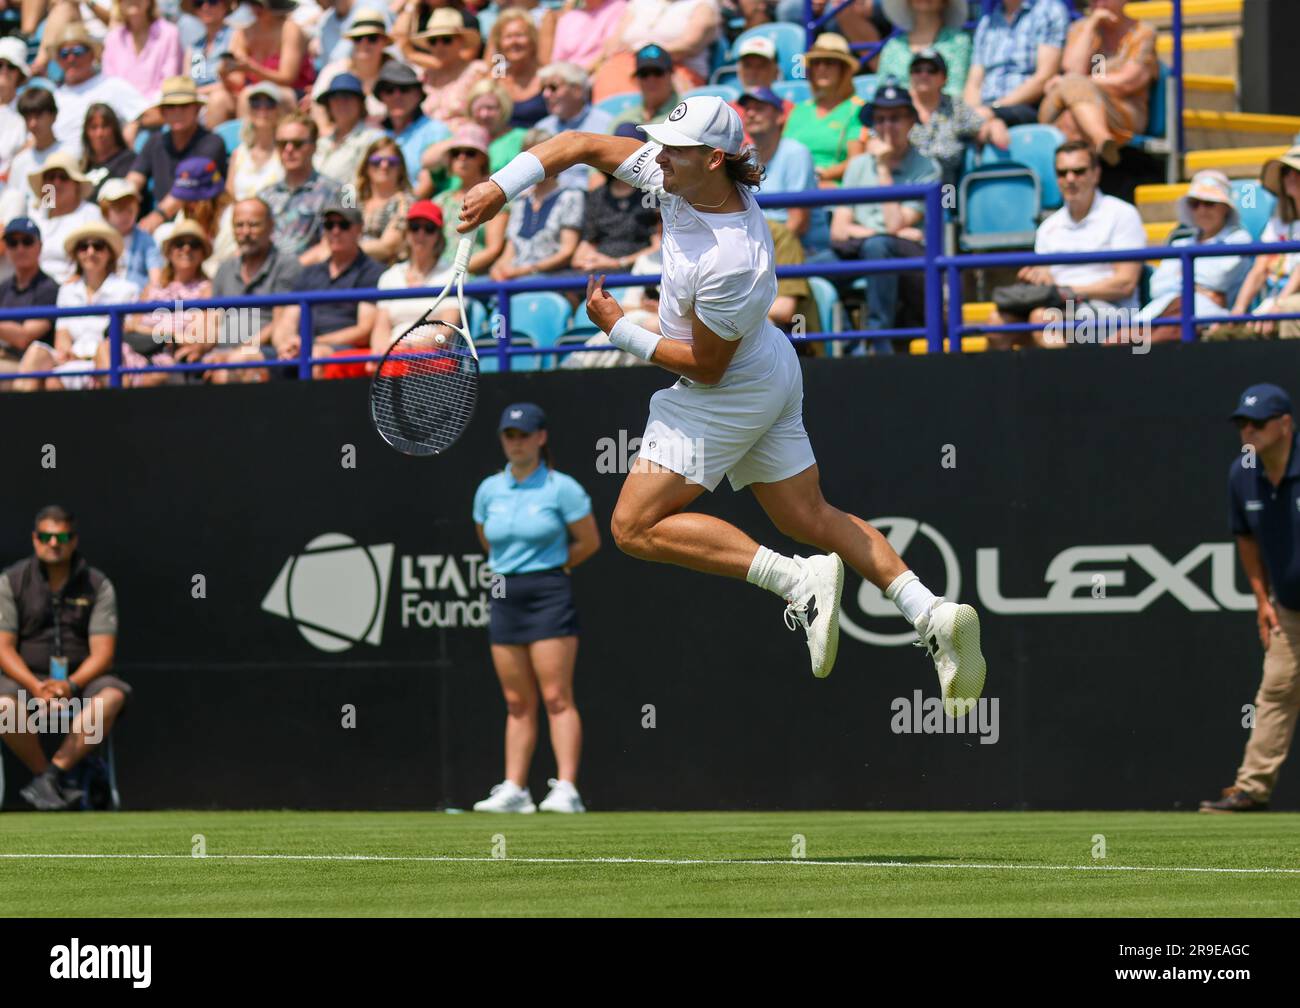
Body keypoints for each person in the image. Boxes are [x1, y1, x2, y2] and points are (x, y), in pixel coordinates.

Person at [458, 95, 987, 701]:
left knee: (633, 526)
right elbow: (577, 144)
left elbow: (707, 370)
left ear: (712, 159)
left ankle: (794, 580)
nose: (660, 157)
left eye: (676, 149)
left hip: (728, 388)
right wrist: (502, 186)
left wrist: (619, 330)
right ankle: (931, 613)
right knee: (808, 516)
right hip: (767, 365)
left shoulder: (732, 259)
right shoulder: (677, 173)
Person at [471, 403, 601, 814]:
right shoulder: (488, 489)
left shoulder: (562, 488)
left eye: (524, 435)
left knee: (556, 695)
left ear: (541, 438)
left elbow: (589, 541)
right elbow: (486, 540)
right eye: (509, 435)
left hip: (549, 589)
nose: (517, 442)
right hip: (505, 589)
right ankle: (516, 789)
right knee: (515, 700)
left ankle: (566, 789)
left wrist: (553, 568)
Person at [1200, 386, 1300, 813]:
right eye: (1243, 423)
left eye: (1258, 423)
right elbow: (1245, 539)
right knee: (1275, 690)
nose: (1249, 431)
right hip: (1290, 607)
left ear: (1285, 424)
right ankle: (1252, 788)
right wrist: (1262, 599)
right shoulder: (1242, 473)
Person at [0, 506, 127, 811]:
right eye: (46, 536)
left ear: (73, 540)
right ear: (35, 539)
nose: (53, 543)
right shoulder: (11, 581)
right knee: (2, 707)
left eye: (61, 537)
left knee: (111, 696)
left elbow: (103, 654)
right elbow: (3, 648)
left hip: (80, 683)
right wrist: (35, 686)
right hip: (27, 683)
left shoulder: (98, 585)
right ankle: (47, 776)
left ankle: (54, 776)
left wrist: (69, 685)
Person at [986, 140, 1145, 350]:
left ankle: (1067, 382)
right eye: (1062, 173)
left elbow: (1125, 284)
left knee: (1042, 318)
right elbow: (1048, 281)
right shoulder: (1048, 227)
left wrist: (1069, 292)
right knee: (996, 323)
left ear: (1096, 174)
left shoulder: (1122, 214)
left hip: (1113, 312)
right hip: (1061, 307)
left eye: (1079, 171)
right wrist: (1037, 280)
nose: (1070, 179)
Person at [832, 82, 941, 347]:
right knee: (804, 270)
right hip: (860, 247)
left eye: (895, 118)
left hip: (906, 251)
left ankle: (880, 340)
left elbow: (894, 225)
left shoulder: (928, 168)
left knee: (879, 247)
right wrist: (877, 233)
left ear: (910, 122)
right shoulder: (857, 165)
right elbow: (838, 230)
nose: (886, 126)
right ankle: (844, 344)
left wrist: (882, 168)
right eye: (880, 119)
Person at [14, 221, 138, 391]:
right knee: (37, 353)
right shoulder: (67, 290)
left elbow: (126, 336)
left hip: (107, 361)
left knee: (102, 360)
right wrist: (68, 353)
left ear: (110, 253)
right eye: (83, 247)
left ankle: (118, 412)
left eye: (98, 246)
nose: (90, 252)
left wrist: (88, 356)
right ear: (77, 254)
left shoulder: (127, 289)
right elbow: (62, 336)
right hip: (74, 363)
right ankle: (18, 416)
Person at [267, 197, 383, 373]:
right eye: (329, 225)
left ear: (359, 229)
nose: (335, 231)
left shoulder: (372, 271)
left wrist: (312, 343)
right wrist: (287, 342)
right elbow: (287, 320)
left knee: (316, 356)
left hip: (340, 351)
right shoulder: (309, 272)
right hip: (304, 347)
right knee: (244, 359)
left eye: (343, 225)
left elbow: (364, 330)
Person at [1136, 170, 1250, 343]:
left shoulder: (1240, 239)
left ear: (1225, 208)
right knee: (1121, 338)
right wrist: (1200, 287)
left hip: (1204, 316)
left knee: (1143, 342)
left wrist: (1181, 276)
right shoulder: (1179, 243)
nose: (1202, 210)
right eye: (1195, 204)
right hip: (1161, 312)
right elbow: (1157, 287)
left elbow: (1219, 278)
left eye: (1209, 203)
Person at [1038, 0, 1156, 167]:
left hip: (1121, 109)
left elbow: (1129, 81)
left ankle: (1072, 178)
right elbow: (1072, 68)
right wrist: (1091, 25)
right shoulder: (1081, 29)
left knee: (1071, 119)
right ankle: (1101, 140)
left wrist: (1082, 82)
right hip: (1076, 101)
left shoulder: (1142, 32)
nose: (1098, 2)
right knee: (1073, 94)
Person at [205, 196, 303, 380]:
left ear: (271, 227)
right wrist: (200, 348)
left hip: (264, 352)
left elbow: (280, 322)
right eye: (239, 225)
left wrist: (235, 353)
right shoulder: (224, 268)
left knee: (239, 366)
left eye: (254, 225)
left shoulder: (286, 265)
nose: (245, 232)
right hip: (224, 352)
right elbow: (213, 321)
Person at [110, 218, 214, 385]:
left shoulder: (207, 289)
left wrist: (155, 333)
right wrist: (168, 334)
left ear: (202, 253)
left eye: (194, 244)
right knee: (106, 350)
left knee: (158, 375)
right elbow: (130, 327)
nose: (186, 249)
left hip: (172, 356)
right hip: (139, 349)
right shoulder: (152, 288)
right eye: (179, 243)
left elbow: (199, 338)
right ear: (169, 251)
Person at [1212, 148, 1300, 340]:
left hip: (1289, 301)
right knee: (1222, 333)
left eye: (1297, 171)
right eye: (1286, 171)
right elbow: (1259, 269)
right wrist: (1239, 308)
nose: (1291, 176)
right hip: (1275, 300)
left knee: (1289, 312)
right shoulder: (1278, 223)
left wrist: (1281, 304)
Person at [127, 76, 230, 233]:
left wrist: (158, 216)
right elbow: (135, 177)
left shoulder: (212, 142)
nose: (177, 112)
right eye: (171, 107)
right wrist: (125, 200)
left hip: (204, 224)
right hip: (163, 225)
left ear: (196, 109)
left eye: (184, 106)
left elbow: (188, 184)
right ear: (163, 112)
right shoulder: (155, 141)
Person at [964, 0, 1069, 151]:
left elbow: (1044, 77)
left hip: (1027, 106)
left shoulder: (1049, 10)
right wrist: (976, 115)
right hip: (985, 112)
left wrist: (994, 110)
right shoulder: (987, 22)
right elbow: (973, 83)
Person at [739, 86, 829, 260]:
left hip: (803, 250)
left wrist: (757, 254)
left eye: (759, 108)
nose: (750, 114)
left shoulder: (795, 152)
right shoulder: (744, 157)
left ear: (780, 117)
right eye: (747, 109)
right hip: (760, 246)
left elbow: (798, 223)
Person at [491, 128, 584, 289]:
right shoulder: (520, 200)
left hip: (549, 278)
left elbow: (566, 252)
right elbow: (510, 251)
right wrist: (498, 269)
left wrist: (526, 271)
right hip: (515, 276)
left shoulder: (571, 196)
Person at [368, 199, 459, 364]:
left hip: (434, 357)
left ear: (438, 235)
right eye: (414, 227)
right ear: (406, 233)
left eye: (429, 229)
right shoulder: (390, 276)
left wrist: (411, 348)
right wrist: (380, 353)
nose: (420, 235)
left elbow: (446, 330)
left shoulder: (452, 274)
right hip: (393, 356)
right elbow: (381, 327)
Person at [51, 23, 150, 152]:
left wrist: (135, 123)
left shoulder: (112, 85)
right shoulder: (53, 96)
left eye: (78, 52)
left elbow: (151, 114)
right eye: (64, 53)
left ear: (92, 54)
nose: (71, 58)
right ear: (58, 59)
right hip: (58, 166)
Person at [595, 0, 720, 100]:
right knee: (607, 74)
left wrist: (640, 51)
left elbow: (688, 45)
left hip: (672, 67)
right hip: (625, 64)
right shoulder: (638, 3)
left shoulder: (704, 4)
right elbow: (614, 42)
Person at [260, 112, 343, 262]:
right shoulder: (263, 196)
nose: (289, 149)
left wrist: (294, 269)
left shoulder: (342, 191)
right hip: (268, 278)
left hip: (315, 276)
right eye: (282, 144)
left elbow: (345, 239)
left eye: (297, 143)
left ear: (314, 146)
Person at [783, 33, 864, 185]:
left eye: (829, 62)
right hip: (792, 186)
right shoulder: (799, 110)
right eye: (816, 63)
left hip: (833, 190)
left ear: (844, 69)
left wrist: (821, 175)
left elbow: (857, 161)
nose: (822, 68)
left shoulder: (857, 109)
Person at [429, 124, 507, 275]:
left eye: (470, 153)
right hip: (437, 275)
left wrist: (454, 273)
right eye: (456, 153)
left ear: (483, 159)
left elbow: (493, 249)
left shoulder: (495, 198)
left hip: (473, 279)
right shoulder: (440, 200)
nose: (462, 158)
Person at [907, 48, 982, 186]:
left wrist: (994, 123)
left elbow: (980, 126)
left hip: (946, 186)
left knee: (948, 201)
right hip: (907, 186)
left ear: (944, 78)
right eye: (917, 70)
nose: (924, 75)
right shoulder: (899, 107)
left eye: (932, 70)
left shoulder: (955, 107)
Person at [29, 154, 107, 284]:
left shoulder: (91, 214)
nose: (56, 182)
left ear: (76, 184)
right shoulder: (35, 214)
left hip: (74, 290)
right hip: (34, 289)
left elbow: (100, 257)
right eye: (50, 177)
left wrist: (74, 283)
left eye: (63, 177)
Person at [534, 62, 612, 190]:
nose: (546, 94)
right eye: (543, 88)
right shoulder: (541, 127)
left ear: (577, 91)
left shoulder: (605, 125)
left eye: (553, 88)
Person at [311, 7, 393, 127]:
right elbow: (317, 105)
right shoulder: (334, 70)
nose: (364, 44)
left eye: (372, 38)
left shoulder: (398, 72)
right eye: (358, 38)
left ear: (384, 41)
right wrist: (326, 131)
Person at [409, 7, 488, 127]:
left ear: (461, 41)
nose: (439, 46)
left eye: (446, 40)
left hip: (464, 138)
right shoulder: (425, 76)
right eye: (433, 41)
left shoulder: (477, 71)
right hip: (429, 139)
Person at [875, 0, 971, 99]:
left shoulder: (959, 41)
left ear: (945, 2)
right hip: (898, 111)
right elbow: (881, 90)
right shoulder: (893, 45)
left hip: (945, 111)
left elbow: (955, 90)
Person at [0, 220, 60, 375]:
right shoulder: (3, 287)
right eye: (13, 243)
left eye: (27, 241)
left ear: (39, 247)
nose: (20, 249)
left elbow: (23, 338)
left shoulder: (49, 288)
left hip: (32, 365)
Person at [0, 88, 67, 223]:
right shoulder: (19, 161)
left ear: (54, 115)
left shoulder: (67, 154)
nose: (33, 123)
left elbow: (55, 203)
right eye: (28, 117)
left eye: (39, 116)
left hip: (57, 224)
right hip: (21, 232)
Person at [374, 61, 448, 181]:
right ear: (381, 97)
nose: (396, 96)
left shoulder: (436, 131)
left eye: (404, 89)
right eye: (389, 90)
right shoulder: (376, 136)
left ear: (418, 94)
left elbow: (430, 182)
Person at [101, 0, 185, 101]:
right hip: (122, 108)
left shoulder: (169, 33)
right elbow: (110, 83)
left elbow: (169, 80)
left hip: (160, 107)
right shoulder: (113, 38)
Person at [313, 71, 387, 185]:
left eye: (347, 97)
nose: (342, 103)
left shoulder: (373, 139)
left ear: (360, 104)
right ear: (328, 105)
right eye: (335, 98)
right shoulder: (322, 142)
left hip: (350, 201)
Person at [229, 0, 316, 97]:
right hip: (253, 94)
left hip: (290, 94)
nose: (255, 8)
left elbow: (287, 79)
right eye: (251, 3)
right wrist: (223, 74)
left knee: (248, 95)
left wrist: (253, 69)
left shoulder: (290, 29)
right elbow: (237, 83)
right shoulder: (243, 33)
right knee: (220, 98)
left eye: (259, 4)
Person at [355, 135, 413, 264]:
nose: (384, 165)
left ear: (400, 168)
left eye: (392, 161)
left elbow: (388, 247)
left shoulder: (406, 202)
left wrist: (345, 248)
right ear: (366, 166)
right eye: (376, 160)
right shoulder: (355, 200)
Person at [97, 177, 164, 290]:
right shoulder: (95, 240)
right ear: (105, 212)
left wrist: (151, 290)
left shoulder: (145, 239)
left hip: (135, 302)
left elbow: (156, 277)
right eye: (119, 210)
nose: (126, 216)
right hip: (104, 301)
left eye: (130, 210)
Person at [226, 81, 288, 200]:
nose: (262, 109)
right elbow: (230, 195)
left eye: (269, 104)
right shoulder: (239, 153)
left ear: (279, 110)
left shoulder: (287, 151)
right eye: (256, 103)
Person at [184, 0, 240, 125]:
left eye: (212, 2)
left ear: (225, 6)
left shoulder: (236, 36)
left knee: (217, 100)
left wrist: (198, 93)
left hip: (225, 97)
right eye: (199, 3)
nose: (205, 7)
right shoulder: (195, 47)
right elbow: (190, 81)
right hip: (198, 99)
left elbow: (235, 81)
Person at [490, 8, 547, 130]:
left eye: (520, 35)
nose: (514, 42)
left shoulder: (547, 77)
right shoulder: (495, 80)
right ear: (499, 43)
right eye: (508, 37)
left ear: (532, 40)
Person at [606, 44, 679, 135]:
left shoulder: (686, 114)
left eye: (658, 72)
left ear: (671, 74)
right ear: (637, 79)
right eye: (644, 74)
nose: (651, 80)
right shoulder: (623, 118)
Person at [550, 0, 627, 76]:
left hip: (594, 77)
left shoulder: (618, 7)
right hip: (565, 79)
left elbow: (608, 50)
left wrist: (581, 76)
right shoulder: (568, 17)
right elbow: (556, 60)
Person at [80, 103, 137, 199]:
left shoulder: (130, 160)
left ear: (114, 129)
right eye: (94, 127)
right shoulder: (82, 168)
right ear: (87, 133)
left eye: (105, 126)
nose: (100, 133)